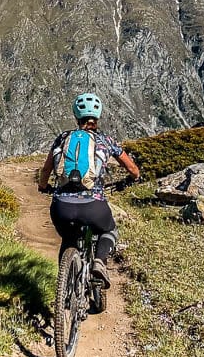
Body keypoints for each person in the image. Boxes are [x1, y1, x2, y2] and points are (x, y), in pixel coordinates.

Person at [37, 92, 140, 287]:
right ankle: (99, 261)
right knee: (109, 230)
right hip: (94, 205)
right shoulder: (106, 140)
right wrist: (134, 178)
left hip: (61, 207)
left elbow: (45, 169)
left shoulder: (62, 138)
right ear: (98, 116)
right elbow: (132, 169)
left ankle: (64, 283)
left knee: (68, 239)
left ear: (76, 117)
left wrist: (43, 186)